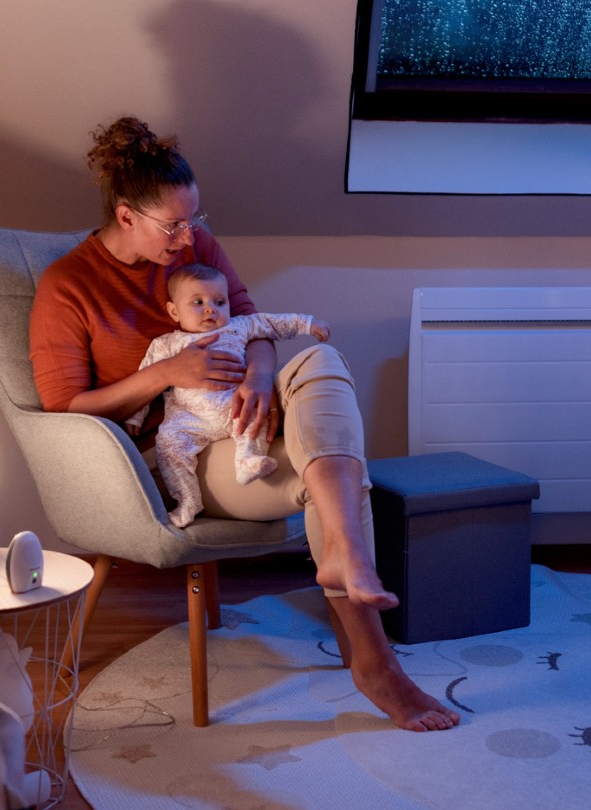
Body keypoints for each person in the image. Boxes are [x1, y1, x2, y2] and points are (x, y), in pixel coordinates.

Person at [28, 116, 459, 732]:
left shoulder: (194, 249)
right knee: (335, 479)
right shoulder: (68, 286)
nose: (189, 239)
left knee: (320, 358)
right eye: (173, 226)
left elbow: (253, 323)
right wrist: (165, 373)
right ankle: (374, 659)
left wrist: (260, 377)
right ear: (126, 217)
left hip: (248, 416)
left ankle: (345, 559)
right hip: (185, 452)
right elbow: (64, 410)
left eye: (194, 220)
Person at [126, 262, 330, 528]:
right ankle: (187, 501)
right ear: (174, 311)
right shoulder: (166, 343)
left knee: (257, 414)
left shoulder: (238, 326)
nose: (211, 308)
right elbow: (147, 376)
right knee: (169, 444)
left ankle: (248, 459)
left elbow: (272, 323)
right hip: (189, 418)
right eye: (197, 302)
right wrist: (135, 416)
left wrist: (308, 323)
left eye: (219, 302)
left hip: (234, 406)